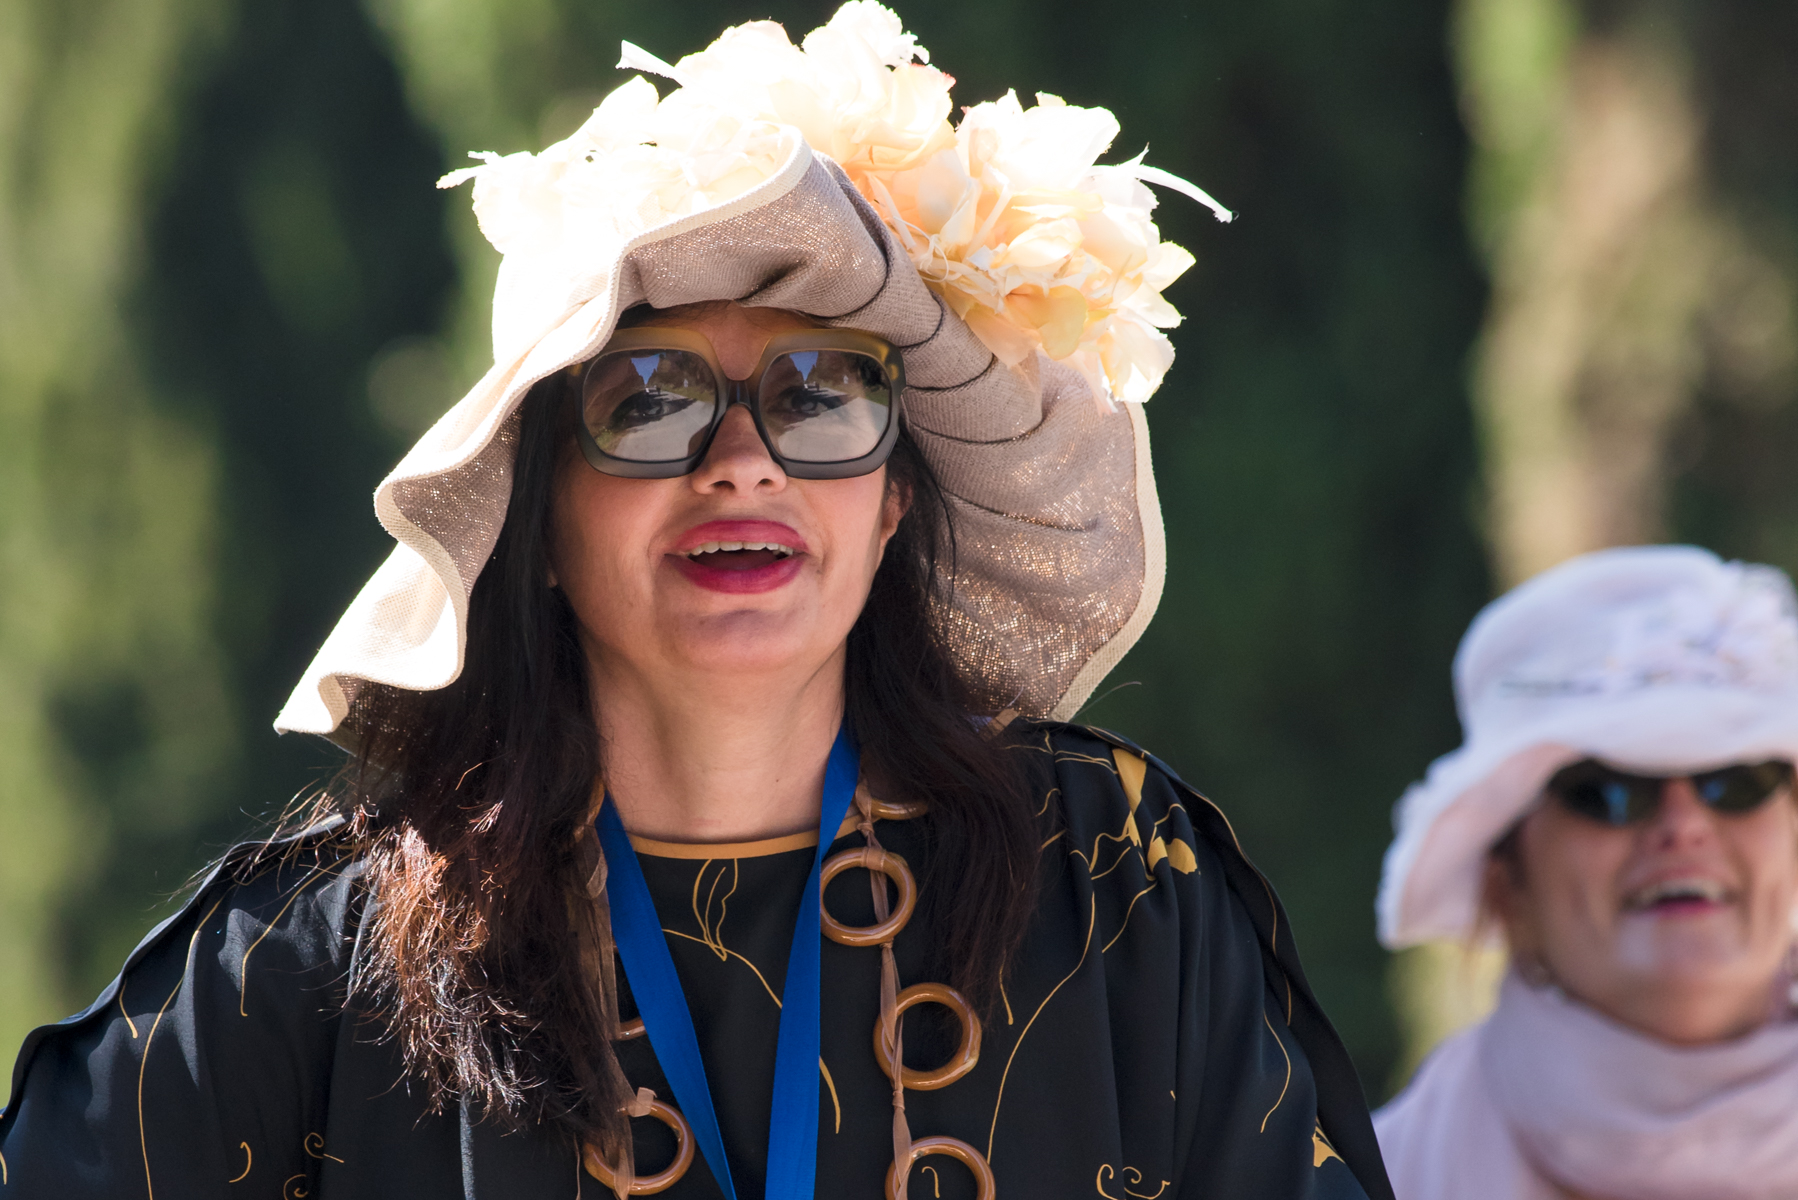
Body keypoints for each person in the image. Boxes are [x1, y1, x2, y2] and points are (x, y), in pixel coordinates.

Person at [0, 5, 1389, 1198]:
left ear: (891, 498)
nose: (742, 464)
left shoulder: (1114, 883)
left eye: (822, 396)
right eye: (647, 402)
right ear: (534, 515)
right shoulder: (315, 964)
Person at [1374, 544, 1798, 1200]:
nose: (1683, 824)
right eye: (1609, 789)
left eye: (1736, 779)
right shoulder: (1368, 1182)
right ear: (1505, 877)